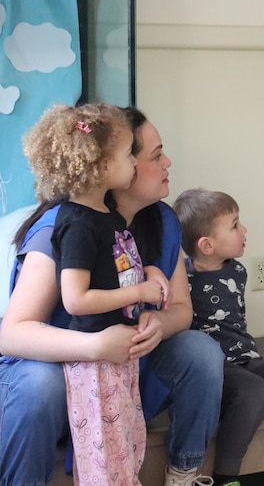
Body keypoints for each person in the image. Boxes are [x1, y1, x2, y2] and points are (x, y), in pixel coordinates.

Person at [0, 106, 224, 486]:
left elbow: (182, 311)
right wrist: (96, 347)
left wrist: (158, 324)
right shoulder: (61, 229)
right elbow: (12, 334)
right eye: (155, 156)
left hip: (122, 363)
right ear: (112, 168)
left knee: (201, 351)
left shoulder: (161, 220)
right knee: (41, 386)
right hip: (57, 368)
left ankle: (183, 474)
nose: (168, 162)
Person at [20, 103, 171, 484]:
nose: (134, 164)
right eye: (127, 155)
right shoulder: (77, 226)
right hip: (94, 362)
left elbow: (118, 266)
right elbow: (76, 299)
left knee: (127, 444)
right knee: (104, 455)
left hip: (119, 357)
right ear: (103, 166)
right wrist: (138, 290)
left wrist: (149, 269)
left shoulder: (109, 217)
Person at [173, 188, 264, 486]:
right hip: (214, 368)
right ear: (207, 245)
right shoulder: (181, 280)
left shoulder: (237, 270)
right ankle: (226, 476)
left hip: (245, 356)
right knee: (254, 392)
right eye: (235, 225)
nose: (244, 230)